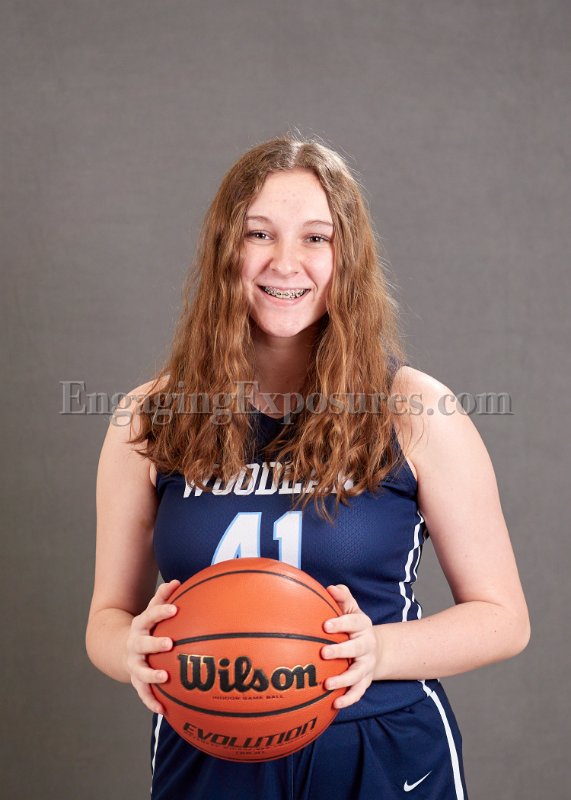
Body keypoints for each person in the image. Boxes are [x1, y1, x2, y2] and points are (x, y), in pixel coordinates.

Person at [85, 134, 530, 800]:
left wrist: (377, 651)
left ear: (347, 257)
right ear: (224, 249)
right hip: (209, 745)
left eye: (316, 238)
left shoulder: (414, 410)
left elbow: (503, 617)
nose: (285, 262)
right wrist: (129, 650)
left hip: (377, 744)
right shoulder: (150, 415)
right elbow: (107, 617)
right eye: (258, 233)